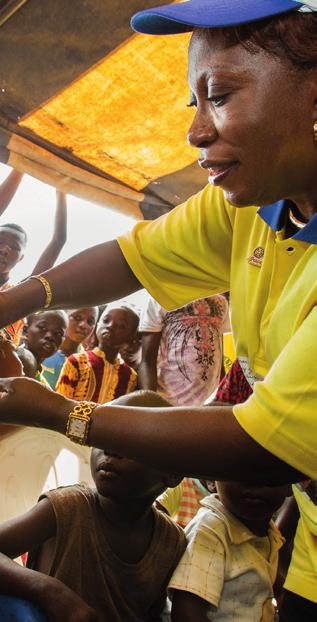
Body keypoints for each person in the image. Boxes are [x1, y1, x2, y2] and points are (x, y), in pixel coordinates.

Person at [0, 3, 316, 619]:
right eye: (192, 104)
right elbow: (131, 257)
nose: (196, 132)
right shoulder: (255, 204)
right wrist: (9, 302)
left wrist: (62, 413)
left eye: (219, 95)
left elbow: (262, 445)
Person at [0, 393, 186, 622]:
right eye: (104, 436)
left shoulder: (171, 542)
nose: (110, 450)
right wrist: (51, 591)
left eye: (129, 441)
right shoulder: (66, 507)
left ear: (172, 473)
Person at [169, 479, 288, 621]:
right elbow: (186, 614)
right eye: (238, 472)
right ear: (211, 481)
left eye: (270, 475)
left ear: (291, 487)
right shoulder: (211, 529)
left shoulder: (270, 532)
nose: (255, 483)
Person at [139, 294, 229, 405]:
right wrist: (149, 406)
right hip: (168, 403)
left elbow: (219, 358)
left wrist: (222, 397)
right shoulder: (161, 296)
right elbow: (147, 362)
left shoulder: (221, 302)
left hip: (208, 406)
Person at [56, 303, 138, 402]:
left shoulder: (130, 376)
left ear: (131, 336)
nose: (110, 326)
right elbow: (61, 403)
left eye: (121, 326)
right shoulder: (77, 362)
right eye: (106, 321)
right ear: (98, 324)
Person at [42, 307, 98, 389]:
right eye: (77, 318)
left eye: (90, 322)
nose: (84, 325)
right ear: (64, 316)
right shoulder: (41, 349)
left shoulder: (87, 365)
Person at [22, 311, 68, 383]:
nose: (50, 336)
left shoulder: (42, 383)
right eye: (43, 328)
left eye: (58, 333)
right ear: (25, 330)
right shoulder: (9, 363)